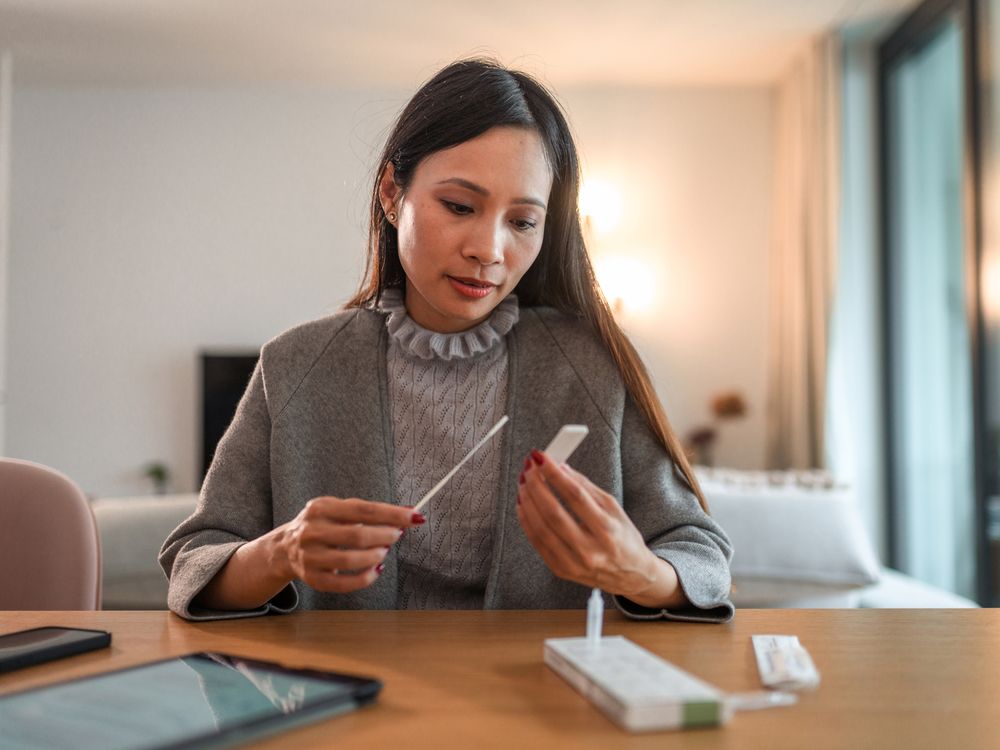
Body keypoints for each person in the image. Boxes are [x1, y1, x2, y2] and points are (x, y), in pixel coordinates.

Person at [159, 58, 734, 623]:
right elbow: (195, 561)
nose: (488, 248)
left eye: (523, 222)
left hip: (545, 702)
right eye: (459, 206)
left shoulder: (590, 365)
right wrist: (279, 553)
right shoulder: (296, 364)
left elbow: (698, 553)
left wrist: (639, 572)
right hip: (350, 701)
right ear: (391, 193)